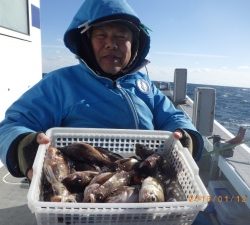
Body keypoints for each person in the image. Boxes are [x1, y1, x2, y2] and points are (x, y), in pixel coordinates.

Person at [0, 0, 204, 181]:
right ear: (86, 43)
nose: (110, 44)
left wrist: (186, 136)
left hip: (142, 176)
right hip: (83, 190)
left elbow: (173, 117)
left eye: (121, 36)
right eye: (100, 35)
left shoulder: (145, 86)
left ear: (134, 45)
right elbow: (12, 124)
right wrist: (24, 147)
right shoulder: (60, 83)